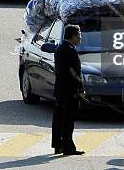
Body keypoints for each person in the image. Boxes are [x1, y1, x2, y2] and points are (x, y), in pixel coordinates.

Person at [51, 25, 85, 156]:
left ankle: (57, 145)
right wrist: (80, 89)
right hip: (70, 92)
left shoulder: (60, 48)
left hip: (60, 90)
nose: (80, 38)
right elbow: (75, 74)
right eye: (79, 35)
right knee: (68, 120)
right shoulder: (71, 51)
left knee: (59, 119)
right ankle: (68, 147)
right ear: (73, 36)